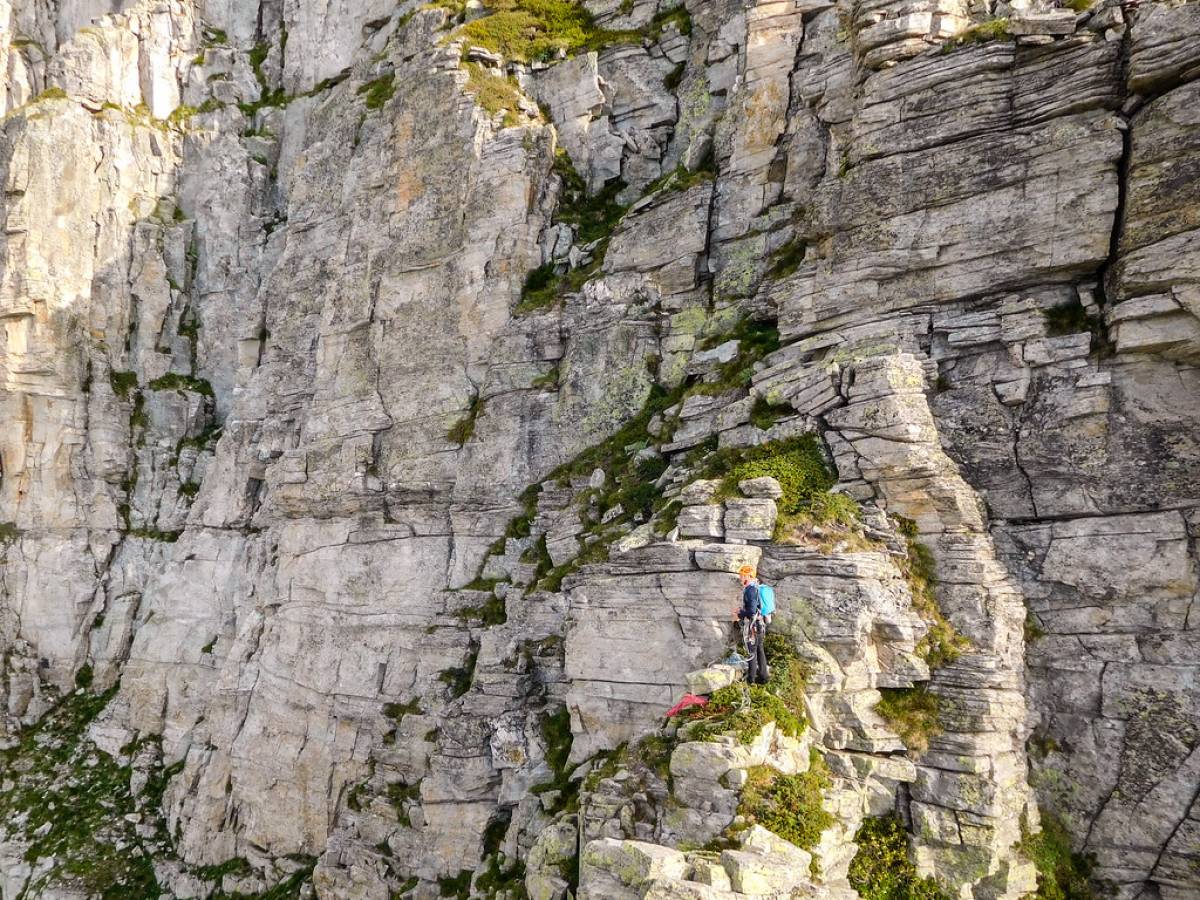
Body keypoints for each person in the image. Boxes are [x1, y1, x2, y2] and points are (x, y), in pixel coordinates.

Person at [734, 565, 769, 685]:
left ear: (748, 576)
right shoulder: (756, 587)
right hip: (760, 624)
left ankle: (751, 679)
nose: (740, 578)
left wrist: (740, 613)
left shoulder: (750, 590)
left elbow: (752, 611)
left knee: (752, 651)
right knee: (759, 650)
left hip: (754, 626)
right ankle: (764, 677)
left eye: (742, 575)